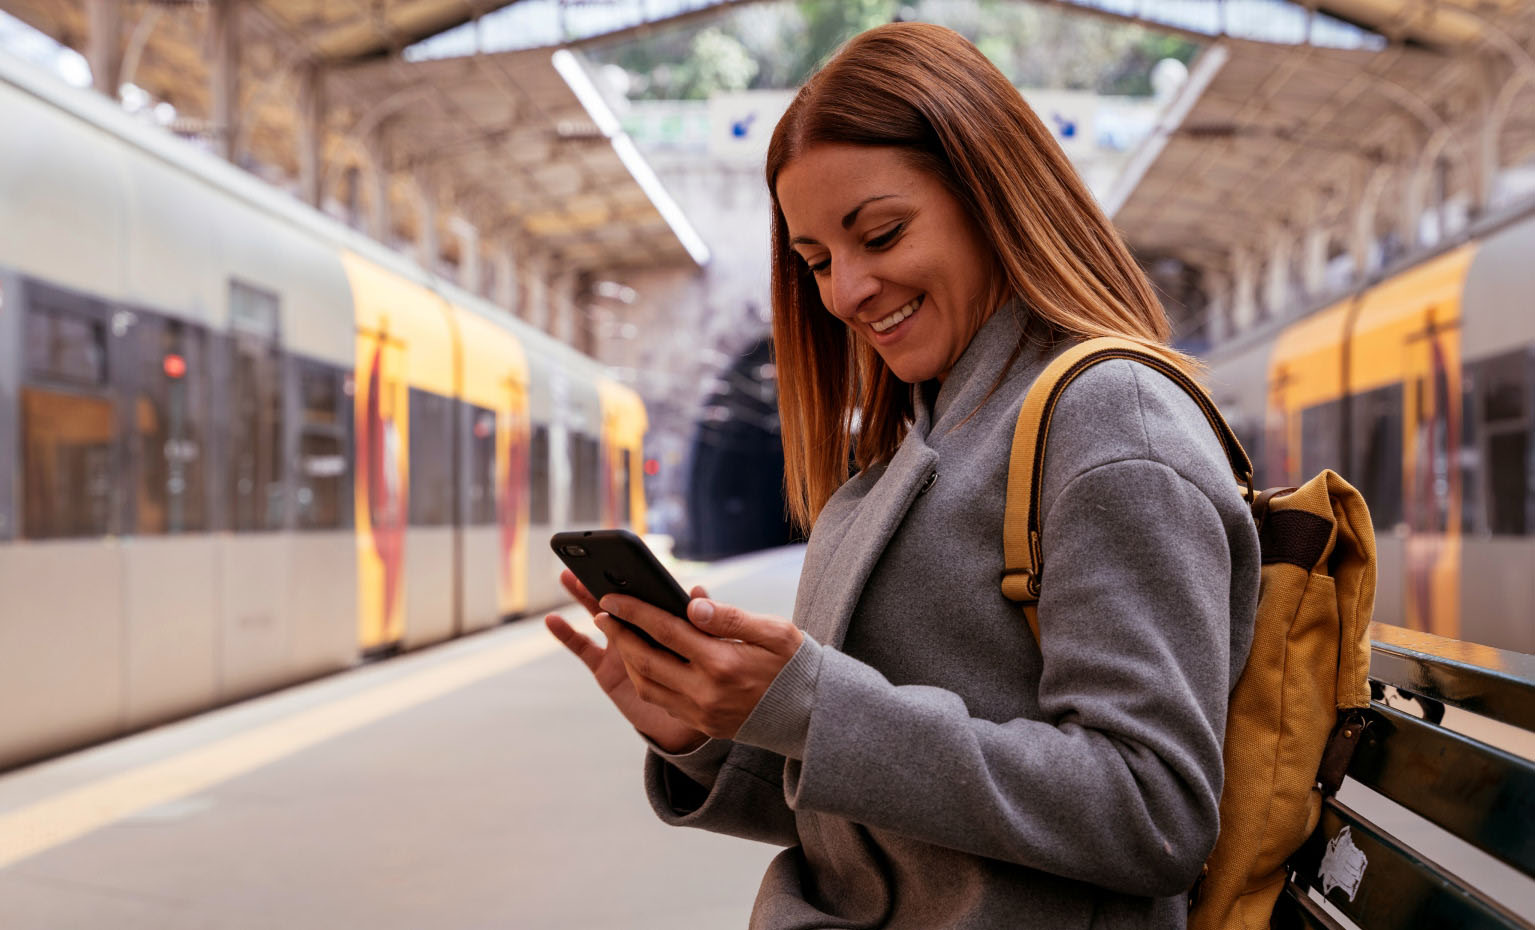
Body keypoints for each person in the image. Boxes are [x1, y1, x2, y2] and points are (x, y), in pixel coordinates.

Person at [545, 21, 1260, 930]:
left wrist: (811, 706)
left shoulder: (1108, 418)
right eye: (815, 263)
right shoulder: (923, 436)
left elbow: (1152, 811)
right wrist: (701, 730)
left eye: (879, 235)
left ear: (992, 194)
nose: (844, 292)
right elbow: (890, 823)